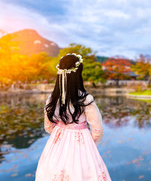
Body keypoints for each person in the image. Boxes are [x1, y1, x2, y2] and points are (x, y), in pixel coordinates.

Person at [36, 53, 111, 181]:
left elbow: (48, 127)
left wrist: (60, 133)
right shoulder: (85, 99)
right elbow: (97, 130)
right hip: (81, 142)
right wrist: (89, 144)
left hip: (56, 142)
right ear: (78, 74)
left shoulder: (52, 98)